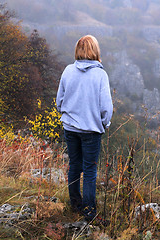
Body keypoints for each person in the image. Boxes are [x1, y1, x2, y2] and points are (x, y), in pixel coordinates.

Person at [56, 35, 113, 222]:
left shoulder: (67, 71)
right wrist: (104, 123)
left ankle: (75, 204)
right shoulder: (100, 74)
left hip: (70, 128)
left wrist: (67, 116)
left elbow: (59, 101)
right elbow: (106, 107)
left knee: (74, 165)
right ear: (95, 51)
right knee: (89, 170)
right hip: (91, 130)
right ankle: (89, 212)